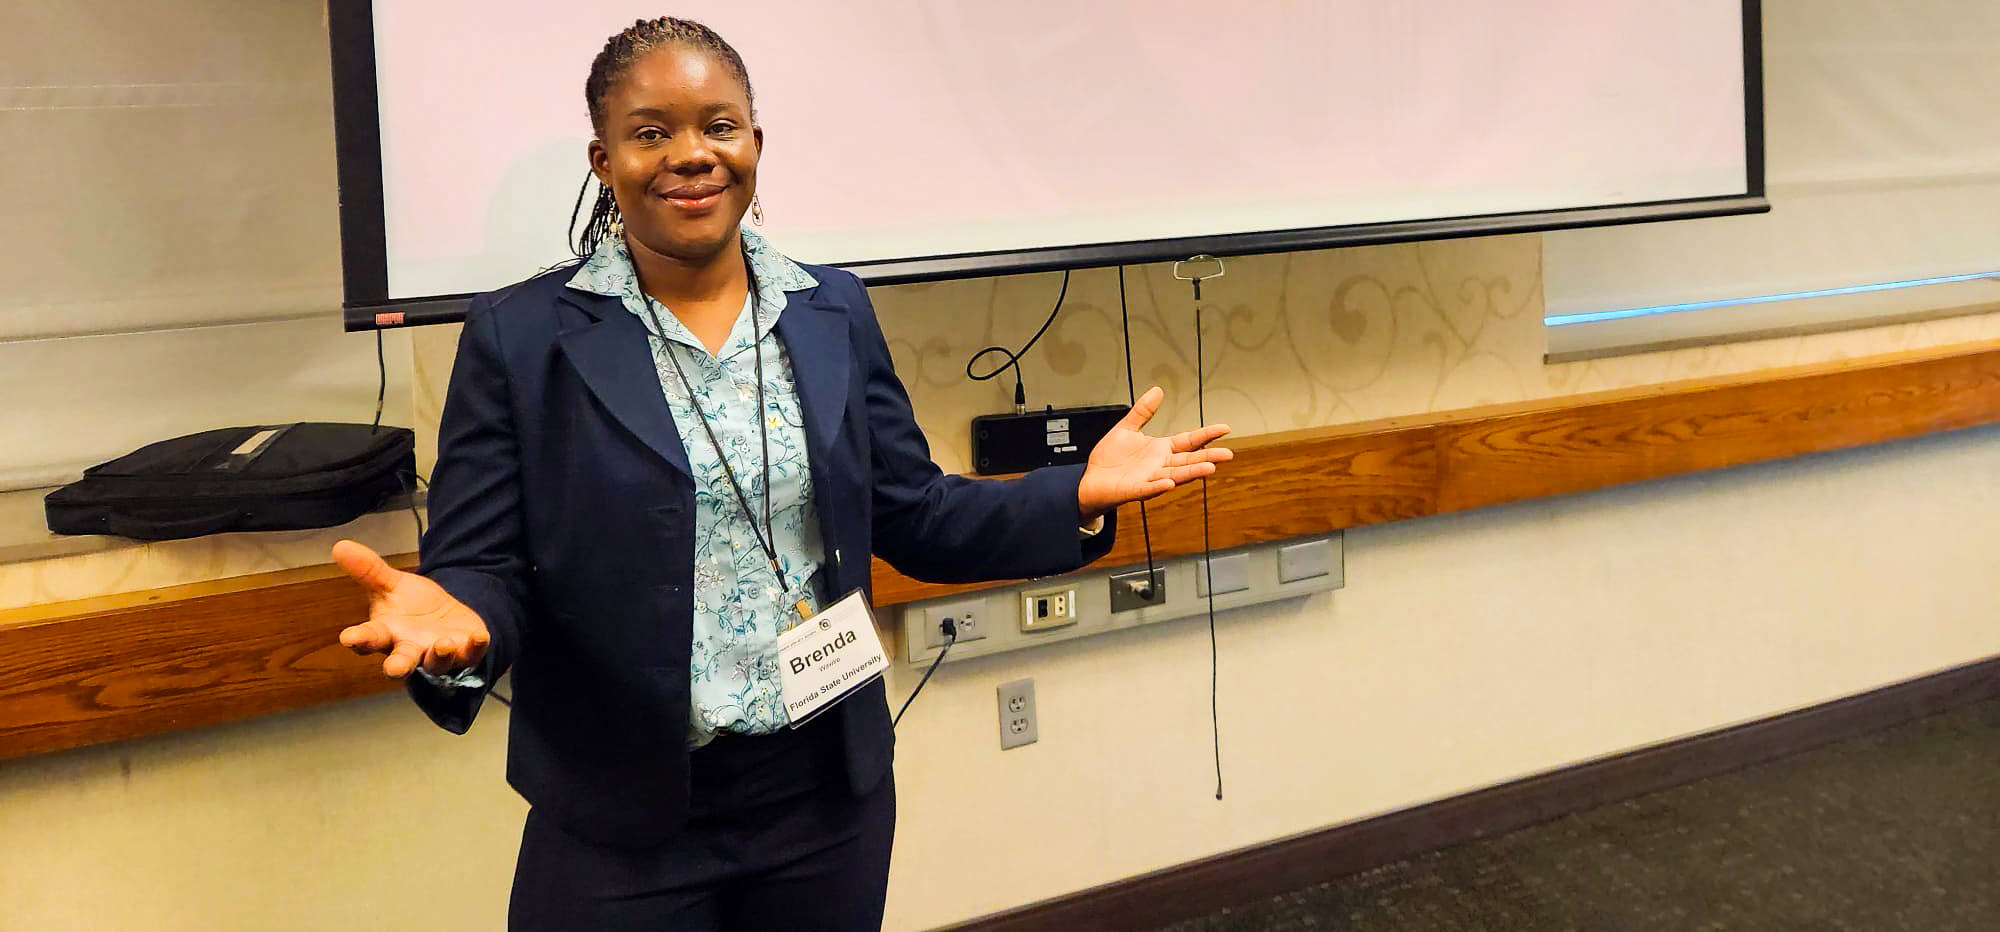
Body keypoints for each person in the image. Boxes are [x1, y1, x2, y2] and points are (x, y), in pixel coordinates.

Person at [331, 16, 1232, 931]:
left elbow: (913, 513)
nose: (692, 155)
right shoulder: (521, 339)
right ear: (603, 161)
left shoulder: (829, 308)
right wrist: (467, 620)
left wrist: (1071, 494)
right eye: (652, 133)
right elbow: (483, 566)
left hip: (822, 798)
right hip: (621, 814)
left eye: (719, 126)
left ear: (755, 143)